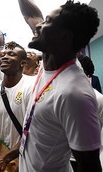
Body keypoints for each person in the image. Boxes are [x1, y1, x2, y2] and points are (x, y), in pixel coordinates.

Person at [15, 0, 101, 171]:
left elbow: (89, 166)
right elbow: (32, 16)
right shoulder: (51, 62)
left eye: (47, 21)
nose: (38, 25)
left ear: (64, 37)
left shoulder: (74, 94)